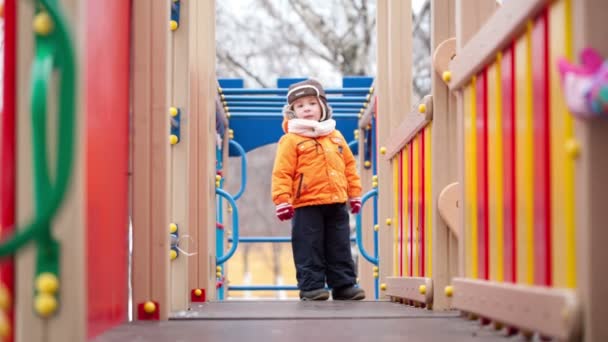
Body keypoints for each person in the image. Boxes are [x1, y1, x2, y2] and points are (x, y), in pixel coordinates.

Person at [271, 78, 365, 301]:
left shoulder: (335, 136)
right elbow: (282, 172)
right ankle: (311, 287)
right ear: (293, 112)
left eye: (312, 103)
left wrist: (355, 194)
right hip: (306, 204)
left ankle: (344, 285)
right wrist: (282, 200)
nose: (306, 108)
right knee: (309, 246)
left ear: (322, 107)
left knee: (339, 244)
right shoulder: (290, 140)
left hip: (336, 200)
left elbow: (349, 167)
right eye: (300, 105)